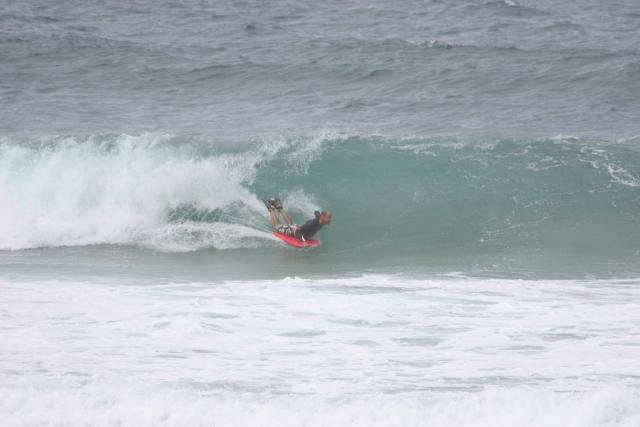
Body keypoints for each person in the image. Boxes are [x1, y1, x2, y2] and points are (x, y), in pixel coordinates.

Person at [264, 197, 332, 241]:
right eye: (329, 218)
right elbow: (300, 232)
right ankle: (270, 209)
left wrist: (317, 212)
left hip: (298, 228)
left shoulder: (319, 219)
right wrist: (303, 241)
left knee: (291, 224)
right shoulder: (312, 224)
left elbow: (317, 213)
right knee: (278, 227)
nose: (330, 220)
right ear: (323, 216)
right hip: (296, 231)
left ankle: (280, 207)